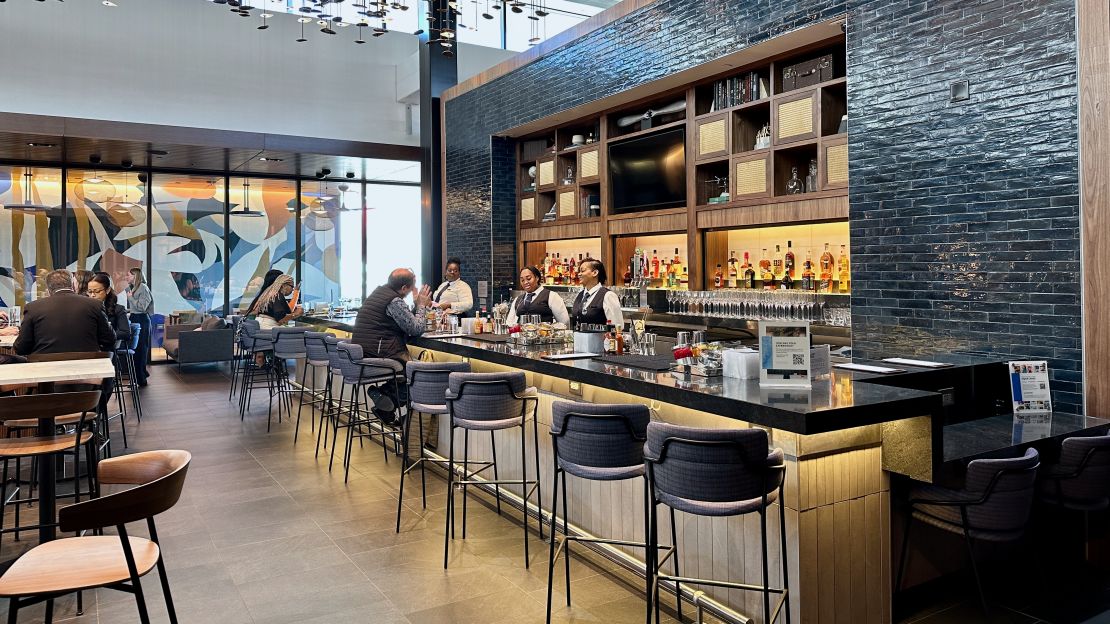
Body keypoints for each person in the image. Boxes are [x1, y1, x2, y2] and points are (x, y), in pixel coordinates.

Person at [14, 269, 115, 355]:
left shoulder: (33, 308)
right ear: (74, 286)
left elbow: (21, 348)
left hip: (45, 370)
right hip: (86, 369)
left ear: (48, 290)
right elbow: (109, 340)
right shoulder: (95, 305)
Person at [352, 268, 432, 365]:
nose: (412, 291)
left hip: (363, 354)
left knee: (413, 364)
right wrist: (421, 305)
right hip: (378, 356)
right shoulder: (394, 300)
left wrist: (416, 306)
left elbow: (404, 321)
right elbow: (416, 329)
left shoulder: (379, 292)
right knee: (418, 369)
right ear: (404, 288)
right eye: (411, 289)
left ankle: (397, 380)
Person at [570, 258, 623, 328]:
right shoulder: (580, 295)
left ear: (595, 273)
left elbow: (617, 327)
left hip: (599, 339)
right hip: (579, 338)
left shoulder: (608, 295)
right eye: (579, 271)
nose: (579, 274)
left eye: (582, 271)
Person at [126, 267, 154, 386]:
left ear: (135, 276)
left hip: (142, 320)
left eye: (128, 275)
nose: (126, 277)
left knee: (141, 349)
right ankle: (140, 375)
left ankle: (141, 379)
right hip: (135, 317)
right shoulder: (133, 288)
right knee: (136, 350)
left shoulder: (143, 287)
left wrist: (130, 298)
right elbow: (135, 307)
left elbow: (142, 307)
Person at [87, 273, 131, 348]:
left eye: (97, 291)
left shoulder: (118, 309)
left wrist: (104, 335)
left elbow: (125, 332)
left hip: (107, 350)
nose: (92, 295)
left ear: (107, 290)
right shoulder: (85, 308)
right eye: (90, 292)